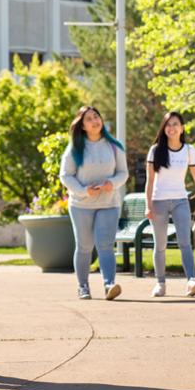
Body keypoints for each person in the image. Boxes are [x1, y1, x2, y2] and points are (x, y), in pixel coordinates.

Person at [145, 111, 195, 297]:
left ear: (182, 128)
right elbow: (150, 181)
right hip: (158, 201)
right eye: (168, 124)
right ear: (164, 128)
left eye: (175, 124)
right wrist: (148, 205)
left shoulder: (189, 151)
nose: (172, 128)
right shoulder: (155, 150)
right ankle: (160, 283)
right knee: (160, 245)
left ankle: (191, 281)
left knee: (185, 242)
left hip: (180, 201)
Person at [60, 106, 128, 300]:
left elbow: (123, 173)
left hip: (109, 203)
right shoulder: (75, 148)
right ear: (82, 126)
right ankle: (83, 286)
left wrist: (112, 183)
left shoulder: (114, 146)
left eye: (96, 116)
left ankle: (109, 285)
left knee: (105, 245)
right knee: (84, 246)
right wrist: (83, 191)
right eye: (89, 119)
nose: (95, 121)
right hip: (81, 204)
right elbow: (66, 175)